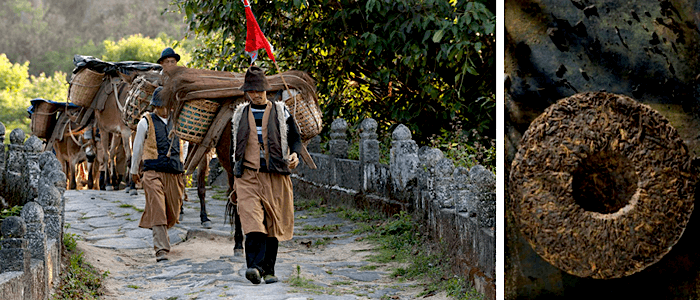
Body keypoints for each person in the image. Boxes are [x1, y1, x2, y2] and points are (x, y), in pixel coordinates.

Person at [231, 66, 302, 284]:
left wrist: (295, 155)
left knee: (273, 223)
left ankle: (269, 270)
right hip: (248, 176)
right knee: (252, 221)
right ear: (246, 92)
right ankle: (254, 267)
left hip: (275, 175)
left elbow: (296, 139)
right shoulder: (239, 114)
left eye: (259, 90)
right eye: (251, 91)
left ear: (266, 89)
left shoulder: (282, 112)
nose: (255, 94)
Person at [130, 86, 185, 262]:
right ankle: (161, 249)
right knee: (158, 208)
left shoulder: (179, 121)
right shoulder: (145, 122)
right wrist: (133, 171)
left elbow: (187, 143)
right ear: (155, 105)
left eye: (166, 105)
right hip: (152, 172)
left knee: (173, 211)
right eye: (160, 106)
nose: (163, 109)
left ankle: (158, 228)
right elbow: (137, 148)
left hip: (174, 173)